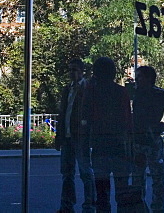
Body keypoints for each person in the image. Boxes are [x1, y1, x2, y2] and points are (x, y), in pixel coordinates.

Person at [81, 56, 136, 212]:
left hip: (100, 144)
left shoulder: (92, 92)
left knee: (102, 191)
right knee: (122, 189)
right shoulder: (121, 92)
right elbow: (127, 119)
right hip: (120, 145)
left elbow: (86, 118)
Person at [131, 66, 164, 213]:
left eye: (140, 76)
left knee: (158, 178)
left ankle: (157, 208)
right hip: (138, 141)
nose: (137, 79)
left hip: (152, 140)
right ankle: (140, 208)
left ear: (149, 78)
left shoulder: (159, 94)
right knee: (137, 179)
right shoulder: (136, 93)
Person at [56, 58, 95, 213]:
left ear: (81, 71)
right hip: (67, 136)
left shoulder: (87, 88)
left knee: (85, 172)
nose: (71, 73)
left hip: (80, 137)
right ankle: (67, 206)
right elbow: (63, 113)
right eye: (70, 70)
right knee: (67, 173)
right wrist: (59, 136)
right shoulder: (68, 89)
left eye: (74, 70)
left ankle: (89, 206)